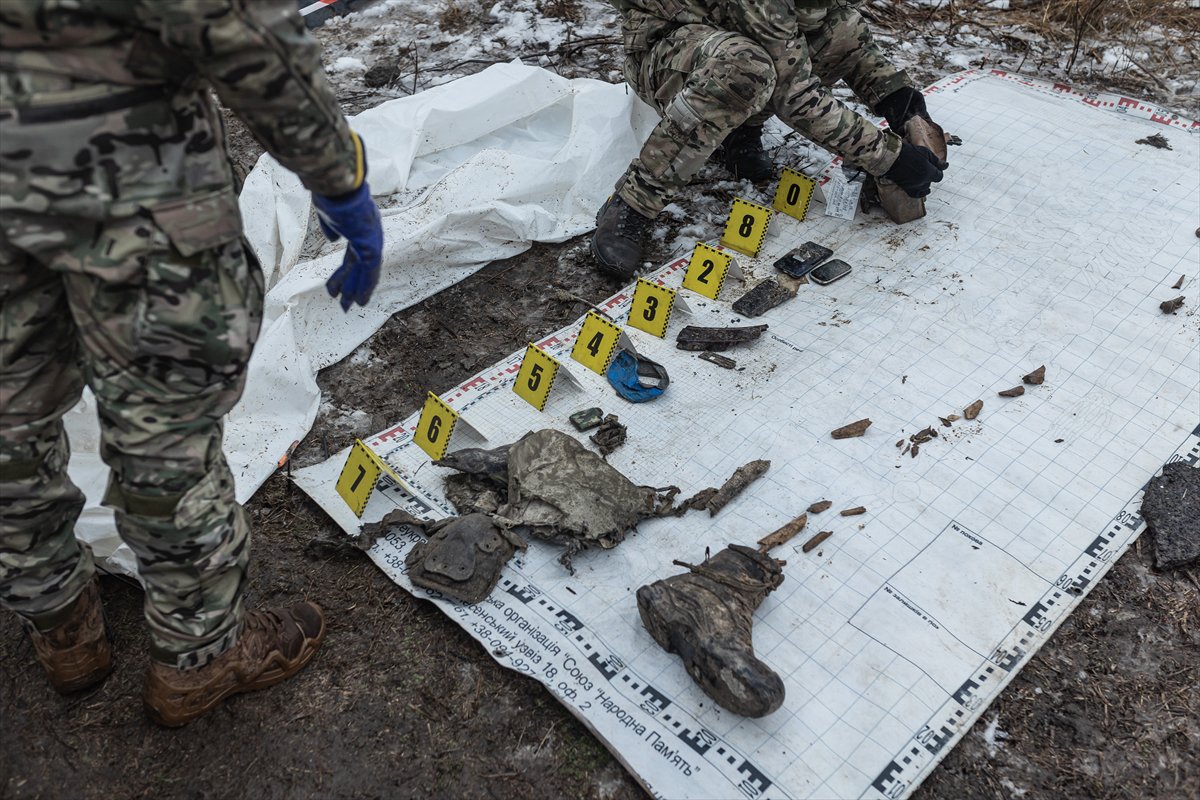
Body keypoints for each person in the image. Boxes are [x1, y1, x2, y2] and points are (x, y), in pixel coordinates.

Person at [0, 0, 383, 726]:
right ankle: (198, 661)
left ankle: (61, 627)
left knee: (6, 420)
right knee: (163, 437)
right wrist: (339, 179)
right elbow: (238, 27)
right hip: (128, 186)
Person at [593, 0, 948, 277]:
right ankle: (633, 201)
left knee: (841, 27)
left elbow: (845, 38)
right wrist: (890, 158)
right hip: (667, 55)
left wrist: (904, 105)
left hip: (728, 33)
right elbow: (796, 97)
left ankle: (736, 135)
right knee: (745, 67)